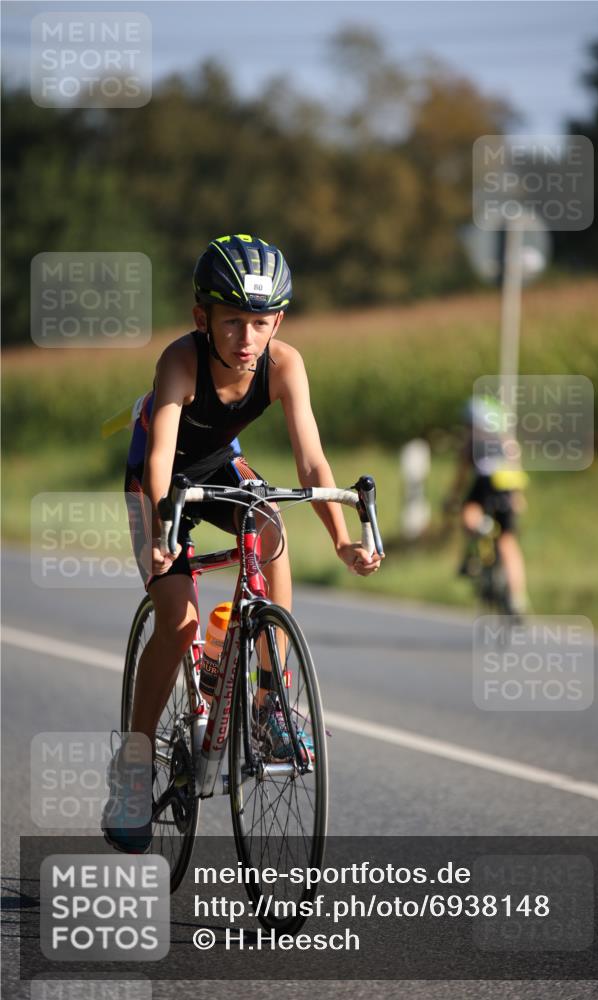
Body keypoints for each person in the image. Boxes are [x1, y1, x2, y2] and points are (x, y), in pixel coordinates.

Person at [103, 234, 383, 853]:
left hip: (219, 468)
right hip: (159, 479)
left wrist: (341, 541)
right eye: (233, 322)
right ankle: (134, 768)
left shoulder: (285, 364)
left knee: (269, 527)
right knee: (177, 624)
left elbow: (312, 461)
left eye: (261, 322)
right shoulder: (181, 359)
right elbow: (158, 458)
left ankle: (268, 703)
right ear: (203, 319)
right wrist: (159, 531)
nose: (247, 338)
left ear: (277, 321)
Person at [443, 395, 529, 617]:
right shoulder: (506, 441)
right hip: (508, 486)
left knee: (468, 514)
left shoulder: (471, 442)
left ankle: (480, 530)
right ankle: (518, 598)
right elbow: (516, 466)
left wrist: (452, 498)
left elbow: (461, 477)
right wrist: (519, 496)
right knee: (508, 543)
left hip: (486, 483)